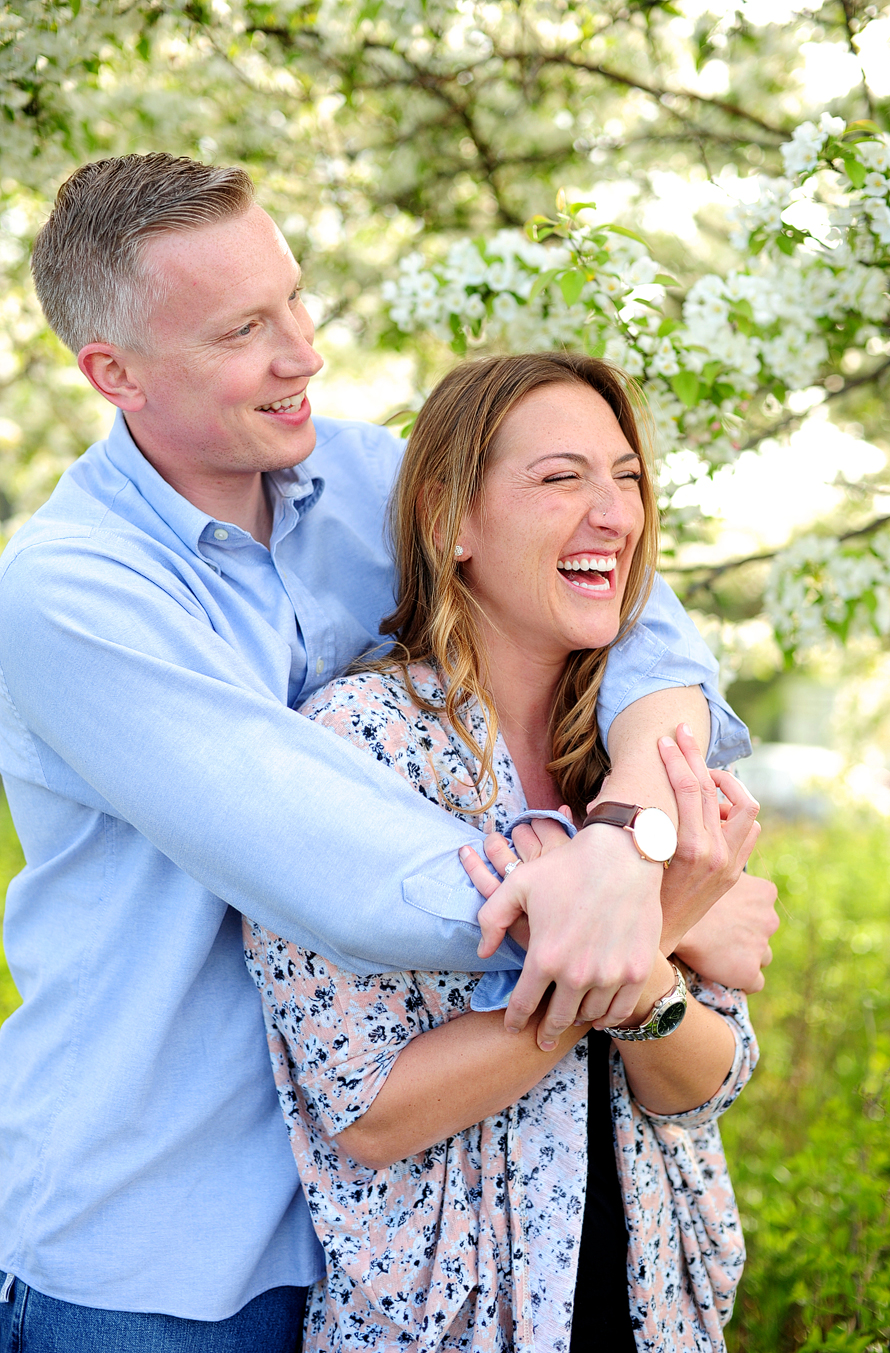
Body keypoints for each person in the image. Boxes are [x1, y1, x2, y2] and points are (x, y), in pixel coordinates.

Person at [0, 154, 772, 1352]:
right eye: (242, 329)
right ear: (115, 375)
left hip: (404, 1241)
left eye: (295, 299)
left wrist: (633, 840)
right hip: (165, 1239)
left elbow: (641, 626)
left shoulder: (368, 480)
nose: (302, 351)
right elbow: (332, 863)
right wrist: (660, 910)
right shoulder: (70, 594)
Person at [244, 353, 773, 1353]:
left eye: (626, 478)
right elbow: (371, 1115)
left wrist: (641, 977)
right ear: (454, 519)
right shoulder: (355, 746)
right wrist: (659, 932)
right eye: (561, 477)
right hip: (450, 1320)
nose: (614, 513)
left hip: (653, 1308)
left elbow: (709, 1078)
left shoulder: (651, 762)